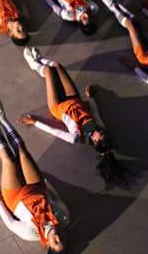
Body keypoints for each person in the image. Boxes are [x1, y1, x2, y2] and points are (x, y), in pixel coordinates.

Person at [18, 48, 130, 189]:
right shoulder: (100, 126)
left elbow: (55, 131)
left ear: (95, 141)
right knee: (58, 66)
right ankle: (39, 59)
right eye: (103, 133)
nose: (101, 132)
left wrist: (35, 122)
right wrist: (92, 97)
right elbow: (95, 111)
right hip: (74, 99)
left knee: (48, 72)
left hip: (58, 106)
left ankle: (33, 63)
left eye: (100, 135)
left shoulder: (77, 137)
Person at [0, 96, 69, 249]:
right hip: (37, 188)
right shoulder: (64, 218)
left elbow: (11, 223)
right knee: (22, 152)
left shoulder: (31, 234)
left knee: (8, 160)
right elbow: (56, 198)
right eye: (62, 240)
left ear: (49, 245)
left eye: (56, 242)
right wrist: (45, 182)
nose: (58, 237)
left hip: (15, 198)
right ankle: (2, 118)